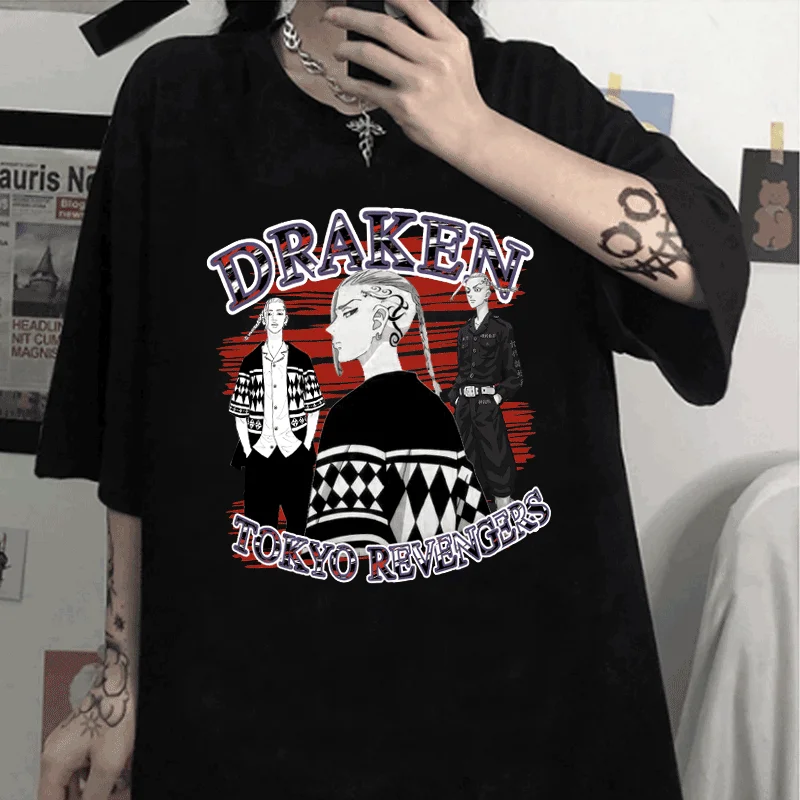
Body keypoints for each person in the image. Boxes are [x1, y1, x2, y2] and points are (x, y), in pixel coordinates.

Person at [32, 0, 750, 798]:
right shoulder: (179, 97)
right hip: (247, 712)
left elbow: (706, 264)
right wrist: (118, 682)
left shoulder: (531, 94)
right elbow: (130, 429)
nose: (331, 328)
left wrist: (472, 130)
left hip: (530, 718)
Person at [307, 270, 489, 552]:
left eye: (348, 312)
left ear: (379, 320)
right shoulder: (437, 411)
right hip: (437, 575)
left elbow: (343, 548)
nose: (331, 328)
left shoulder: (348, 415)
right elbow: (477, 534)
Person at [228, 295, 324, 534]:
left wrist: (305, 445)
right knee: (260, 531)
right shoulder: (250, 362)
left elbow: (314, 407)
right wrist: (249, 451)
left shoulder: (301, 360)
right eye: (269, 313)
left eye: (279, 313)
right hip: (260, 455)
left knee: (301, 528)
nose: (274, 318)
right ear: (263, 318)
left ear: (286, 319)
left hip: (295, 455)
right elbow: (240, 413)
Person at [448, 272, 522, 508]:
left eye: (477, 289)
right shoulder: (464, 332)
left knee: (496, 456)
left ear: (488, 292)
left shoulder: (502, 329)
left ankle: (504, 508)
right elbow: (462, 373)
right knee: (464, 458)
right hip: (464, 406)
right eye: (468, 291)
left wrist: (498, 396)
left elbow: (514, 374)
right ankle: (469, 511)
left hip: (486, 404)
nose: (471, 295)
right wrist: (455, 397)